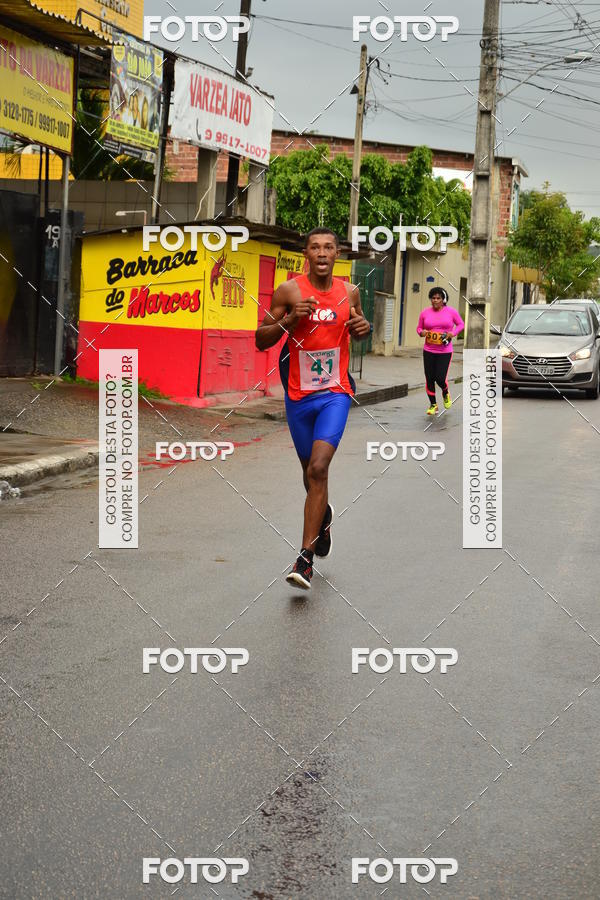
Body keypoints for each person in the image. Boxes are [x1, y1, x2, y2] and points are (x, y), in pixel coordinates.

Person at [255, 228, 371, 589]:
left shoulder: (349, 292)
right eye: (315, 247)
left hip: (335, 393)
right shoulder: (288, 291)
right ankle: (323, 519)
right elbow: (261, 339)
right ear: (306, 253)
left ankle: (304, 560)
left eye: (329, 247)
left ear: (337, 253)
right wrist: (290, 320)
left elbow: (360, 328)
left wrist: (364, 328)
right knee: (310, 475)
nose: (322, 253)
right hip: (299, 397)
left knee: (319, 468)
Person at [417, 287, 464, 415]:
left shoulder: (451, 312)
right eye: (433, 298)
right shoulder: (425, 313)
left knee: (440, 378)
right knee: (429, 378)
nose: (436, 300)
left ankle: (445, 391)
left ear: (443, 300)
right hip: (428, 350)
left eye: (438, 298)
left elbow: (461, 324)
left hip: (445, 351)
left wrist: (453, 333)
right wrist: (422, 332)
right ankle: (433, 405)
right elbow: (419, 328)